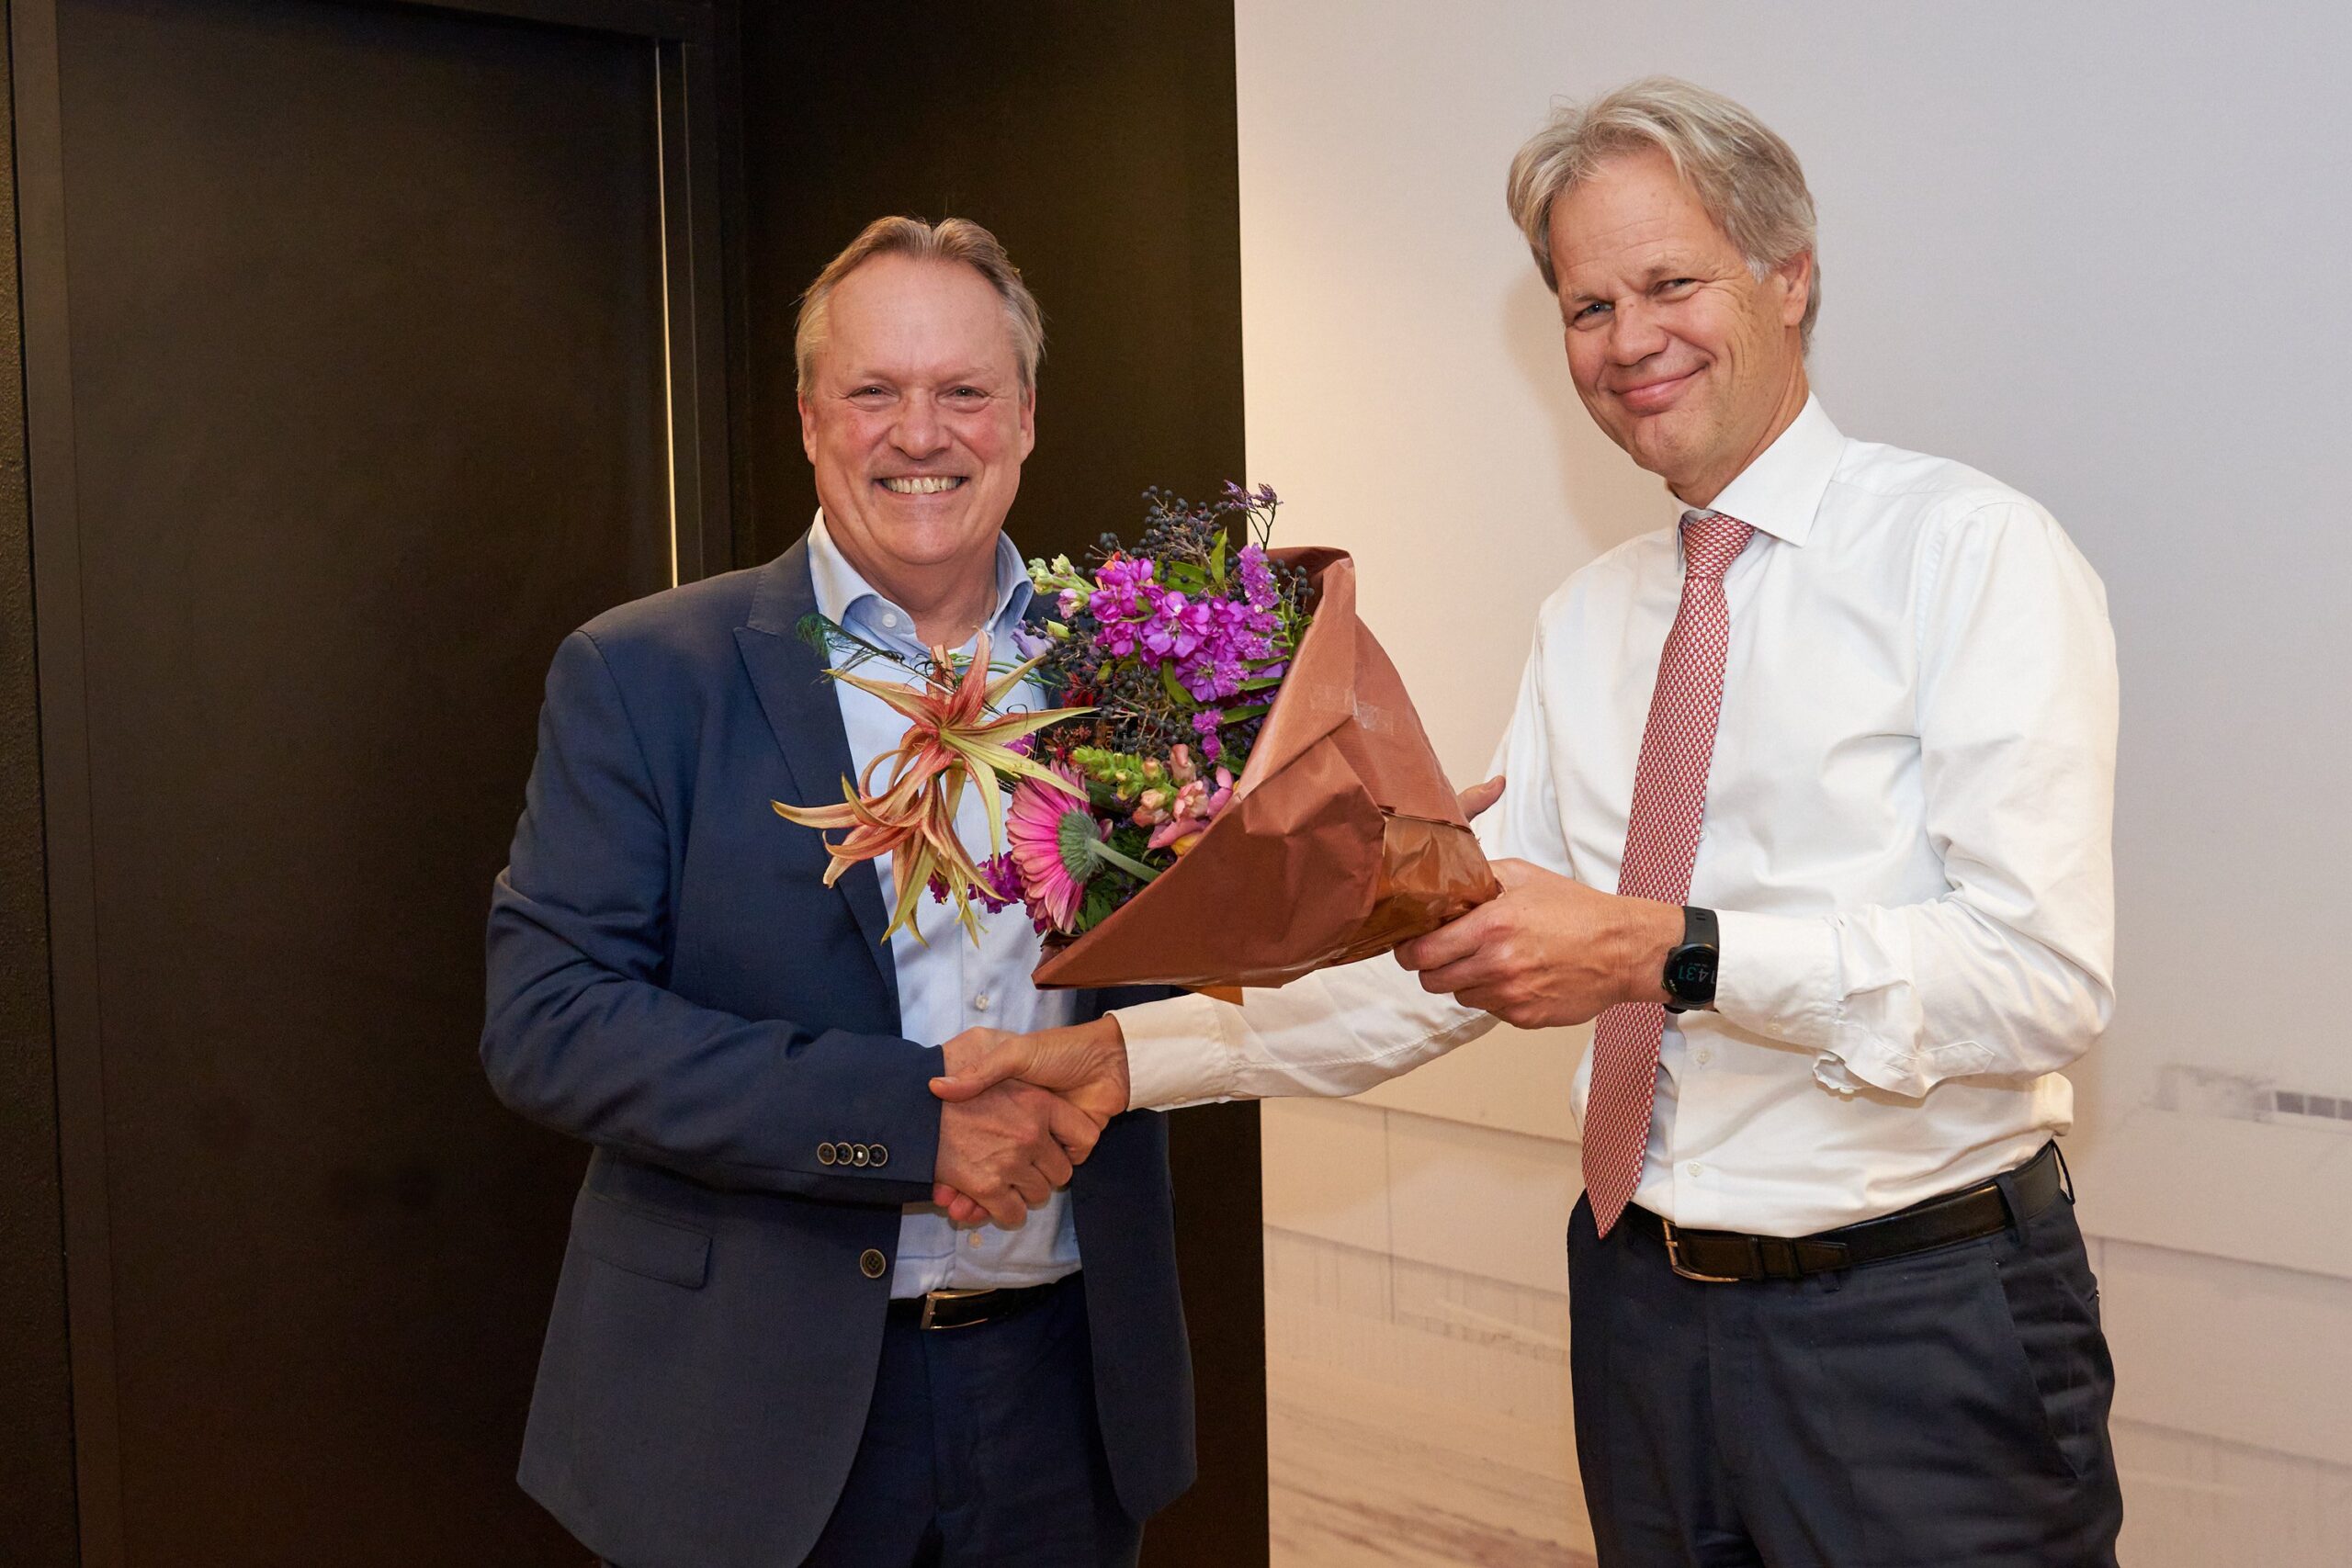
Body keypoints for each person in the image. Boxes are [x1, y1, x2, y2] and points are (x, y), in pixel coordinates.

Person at [935, 78, 2124, 1566]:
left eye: (1670, 283)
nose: (1629, 341)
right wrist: (1122, 1054)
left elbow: (2040, 979)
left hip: (1914, 1330)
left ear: (1790, 276)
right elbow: (1455, 965)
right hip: (1639, 1319)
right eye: (1584, 306)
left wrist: (1668, 954)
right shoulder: (1592, 620)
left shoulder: (1974, 555)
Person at [481, 216, 1188, 1568]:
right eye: (876, 391)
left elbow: (1202, 975)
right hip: (742, 1413)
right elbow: (549, 1023)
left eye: (964, 391)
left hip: (1069, 1397)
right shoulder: (644, 674)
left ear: (1026, 416)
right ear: (811, 419)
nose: (921, 433)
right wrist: (906, 1132)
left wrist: (1355, 873)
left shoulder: (1141, 676)